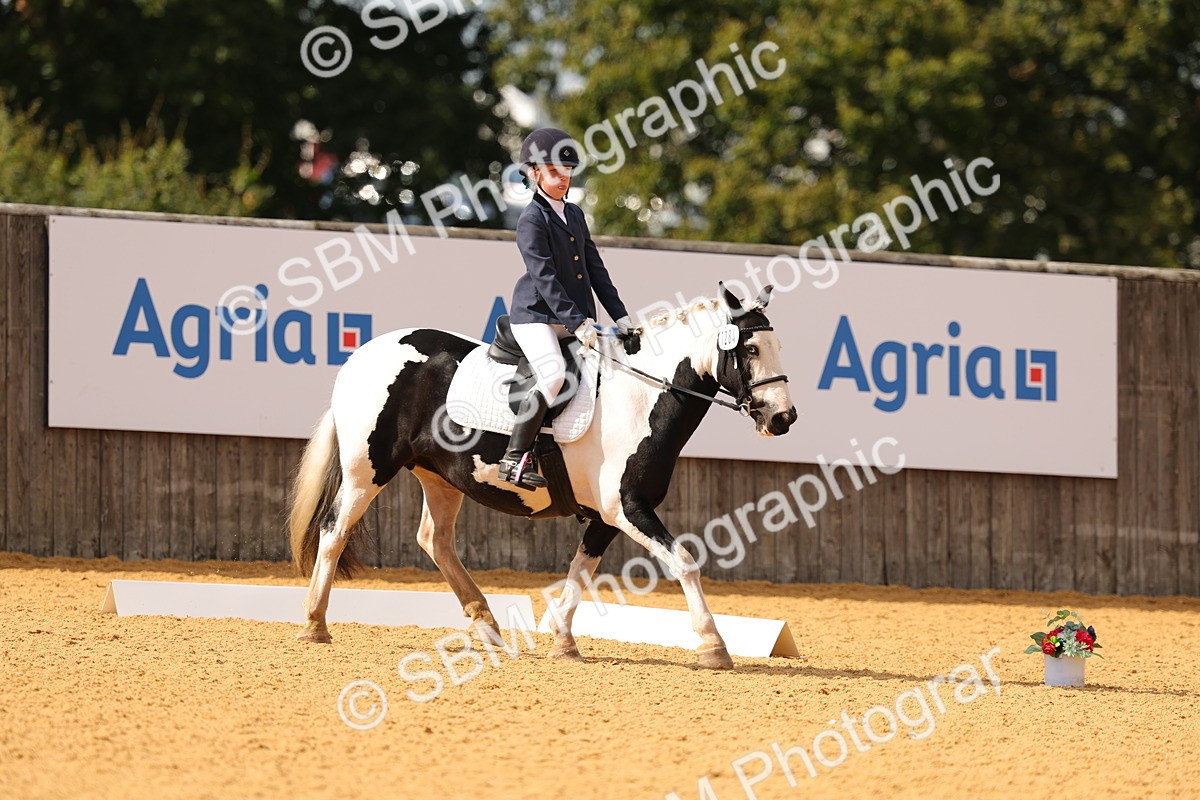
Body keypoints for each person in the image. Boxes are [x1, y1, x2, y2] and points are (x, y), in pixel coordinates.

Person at [498, 127, 637, 490]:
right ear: (534, 173)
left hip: (573, 318)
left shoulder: (574, 214)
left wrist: (621, 317)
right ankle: (512, 459)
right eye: (555, 172)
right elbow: (545, 279)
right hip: (536, 316)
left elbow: (595, 269)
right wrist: (579, 324)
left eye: (568, 172)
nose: (563, 179)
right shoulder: (531, 220)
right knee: (554, 375)